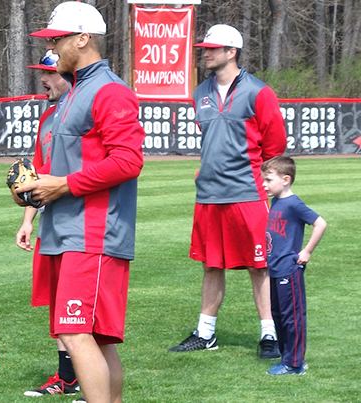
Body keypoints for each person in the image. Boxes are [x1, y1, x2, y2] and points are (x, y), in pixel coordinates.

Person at [17, 2, 145, 402]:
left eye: (58, 40)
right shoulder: (75, 92)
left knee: (74, 331)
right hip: (68, 231)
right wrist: (33, 189)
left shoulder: (109, 90)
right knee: (98, 339)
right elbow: (61, 169)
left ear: (83, 39)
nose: (53, 48)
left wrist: (63, 185)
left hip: (93, 233)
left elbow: (128, 160)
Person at [168, 24, 287, 359]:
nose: (205, 52)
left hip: (248, 193)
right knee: (210, 264)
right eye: (204, 47)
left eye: (212, 48)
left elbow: (275, 148)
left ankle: (269, 333)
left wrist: (265, 186)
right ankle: (205, 333)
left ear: (232, 51)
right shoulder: (199, 92)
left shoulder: (259, 92)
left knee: (259, 265)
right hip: (208, 195)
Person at [15, 50, 78, 398]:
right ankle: (68, 376)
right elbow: (39, 174)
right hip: (51, 223)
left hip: (81, 225)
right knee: (58, 302)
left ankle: (90, 378)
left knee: (78, 306)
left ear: (68, 75)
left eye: (49, 73)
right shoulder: (48, 118)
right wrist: (27, 219)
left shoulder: (84, 115)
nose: (43, 79)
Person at [261, 156, 326, 375]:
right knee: (278, 314)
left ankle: (295, 363)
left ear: (286, 179)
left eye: (269, 180)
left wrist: (306, 251)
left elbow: (320, 223)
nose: (264, 184)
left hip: (289, 270)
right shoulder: (276, 202)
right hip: (275, 268)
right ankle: (287, 355)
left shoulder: (294, 204)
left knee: (292, 316)